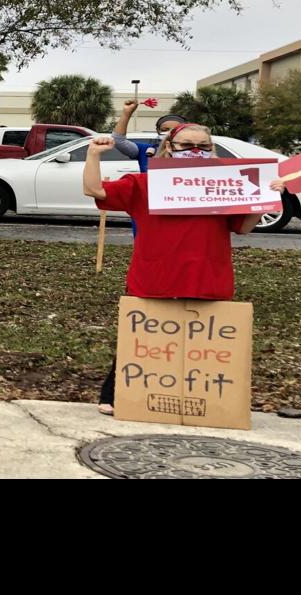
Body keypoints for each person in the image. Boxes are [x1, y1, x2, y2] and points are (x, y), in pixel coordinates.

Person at [82, 125, 263, 415]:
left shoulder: (226, 187)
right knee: (144, 343)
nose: (195, 151)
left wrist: (263, 200)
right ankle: (119, 394)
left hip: (207, 278)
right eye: (187, 144)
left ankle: (205, 403)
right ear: (169, 145)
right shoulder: (144, 184)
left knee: (204, 349)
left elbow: (243, 227)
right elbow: (94, 190)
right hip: (155, 277)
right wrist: (94, 155)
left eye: (204, 146)